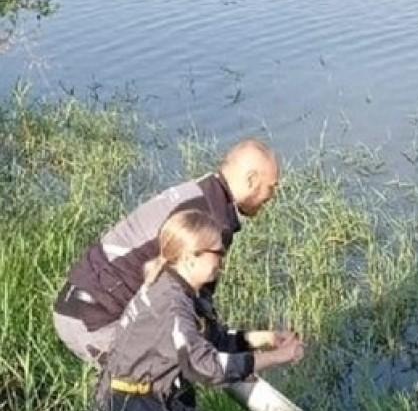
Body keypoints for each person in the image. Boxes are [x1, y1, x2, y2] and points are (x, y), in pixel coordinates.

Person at [96, 210, 304, 411]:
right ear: (191, 256)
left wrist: (265, 339)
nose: (223, 261)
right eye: (217, 253)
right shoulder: (171, 304)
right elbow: (204, 366)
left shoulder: (173, 286)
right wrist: (275, 358)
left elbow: (210, 341)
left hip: (147, 407)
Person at [53, 139, 280, 366]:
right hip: (96, 321)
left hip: (75, 301)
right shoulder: (212, 224)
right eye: (271, 187)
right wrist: (245, 351)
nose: (272, 196)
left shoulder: (202, 191)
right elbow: (195, 315)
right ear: (251, 180)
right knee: (167, 375)